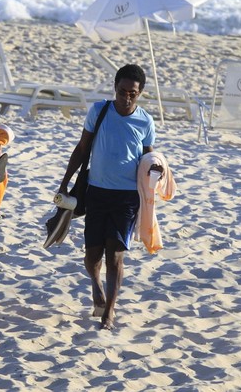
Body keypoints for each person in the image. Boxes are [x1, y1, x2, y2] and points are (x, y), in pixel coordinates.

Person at [57, 64, 163, 330]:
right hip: (96, 192)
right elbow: (82, 148)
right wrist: (64, 183)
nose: (127, 98)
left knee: (115, 254)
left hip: (127, 198)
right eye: (122, 91)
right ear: (115, 88)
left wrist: (156, 168)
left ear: (140, 94)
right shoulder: (99, 111)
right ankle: (96, 288)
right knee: (92, 256)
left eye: (133, 94)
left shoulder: (145, 121)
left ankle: (110, 312)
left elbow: (148, 157)